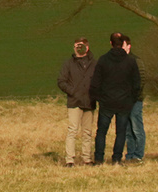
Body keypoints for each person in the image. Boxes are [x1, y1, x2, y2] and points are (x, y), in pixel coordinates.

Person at [89, 32, 141, 164]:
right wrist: (131, 99)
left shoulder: (103, 60)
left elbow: (95, 82)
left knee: (101, 132)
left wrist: (97, 98)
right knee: (121, 132)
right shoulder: (130, 61)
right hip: (124, 102)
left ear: (111, 43)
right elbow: (136, 83)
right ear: (123, 44)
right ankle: (117, 159)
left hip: (106, 102)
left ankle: (99, 159)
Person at [56, 37, 96, 167]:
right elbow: (61, 81)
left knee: (87, 132)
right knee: (72, 130)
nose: (78, 48)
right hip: (74, 102)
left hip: (89, 102)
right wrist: (73, 91)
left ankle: (87, 159)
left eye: (81, 45)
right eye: (76, 46)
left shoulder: (94, 63)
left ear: (87, 47)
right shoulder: (68, 64)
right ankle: (70, 160)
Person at [123, 34, 147, 162]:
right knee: (127, 130)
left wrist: (135, 96)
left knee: (137, 128)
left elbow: (142, 79)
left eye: (123, 45)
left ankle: (138, 155)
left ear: (129, 46)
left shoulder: (137, 61)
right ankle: (130, 154)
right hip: (124, 101)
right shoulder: (120, 61)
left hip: (135, 100)